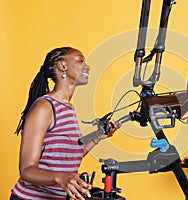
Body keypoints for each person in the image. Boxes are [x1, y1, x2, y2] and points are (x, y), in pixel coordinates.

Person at [11, 47, 118, 200]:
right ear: (62, 66)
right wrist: (61, 178)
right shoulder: (45, 107)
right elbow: (27, 170)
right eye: (81, 61)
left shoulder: (68, 108)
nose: (87, 66)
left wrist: (99, 137)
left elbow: (68, 156)